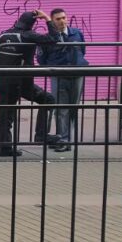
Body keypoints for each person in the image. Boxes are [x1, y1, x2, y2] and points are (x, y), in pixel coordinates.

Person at [0, 10, 60, 157]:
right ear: (32, 24)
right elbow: (54, 38)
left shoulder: (2, 35)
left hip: (5, 81)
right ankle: (39, 136)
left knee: (5, 114)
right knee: (47, 99)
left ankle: (5, 146)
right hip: (22, 83)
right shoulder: (27, 35)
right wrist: (48, 19)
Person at [39, 8, 86, 152]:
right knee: (61, 110)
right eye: (58, 19)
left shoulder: (76, 33)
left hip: (77, 75)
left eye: (64, 18)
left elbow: (82, 51)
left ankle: (68, 139)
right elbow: (41, 59)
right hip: (59, 76)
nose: (62, 21)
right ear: (52, 21)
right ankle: (63, 139)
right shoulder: (48, 38)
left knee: (73, 108)